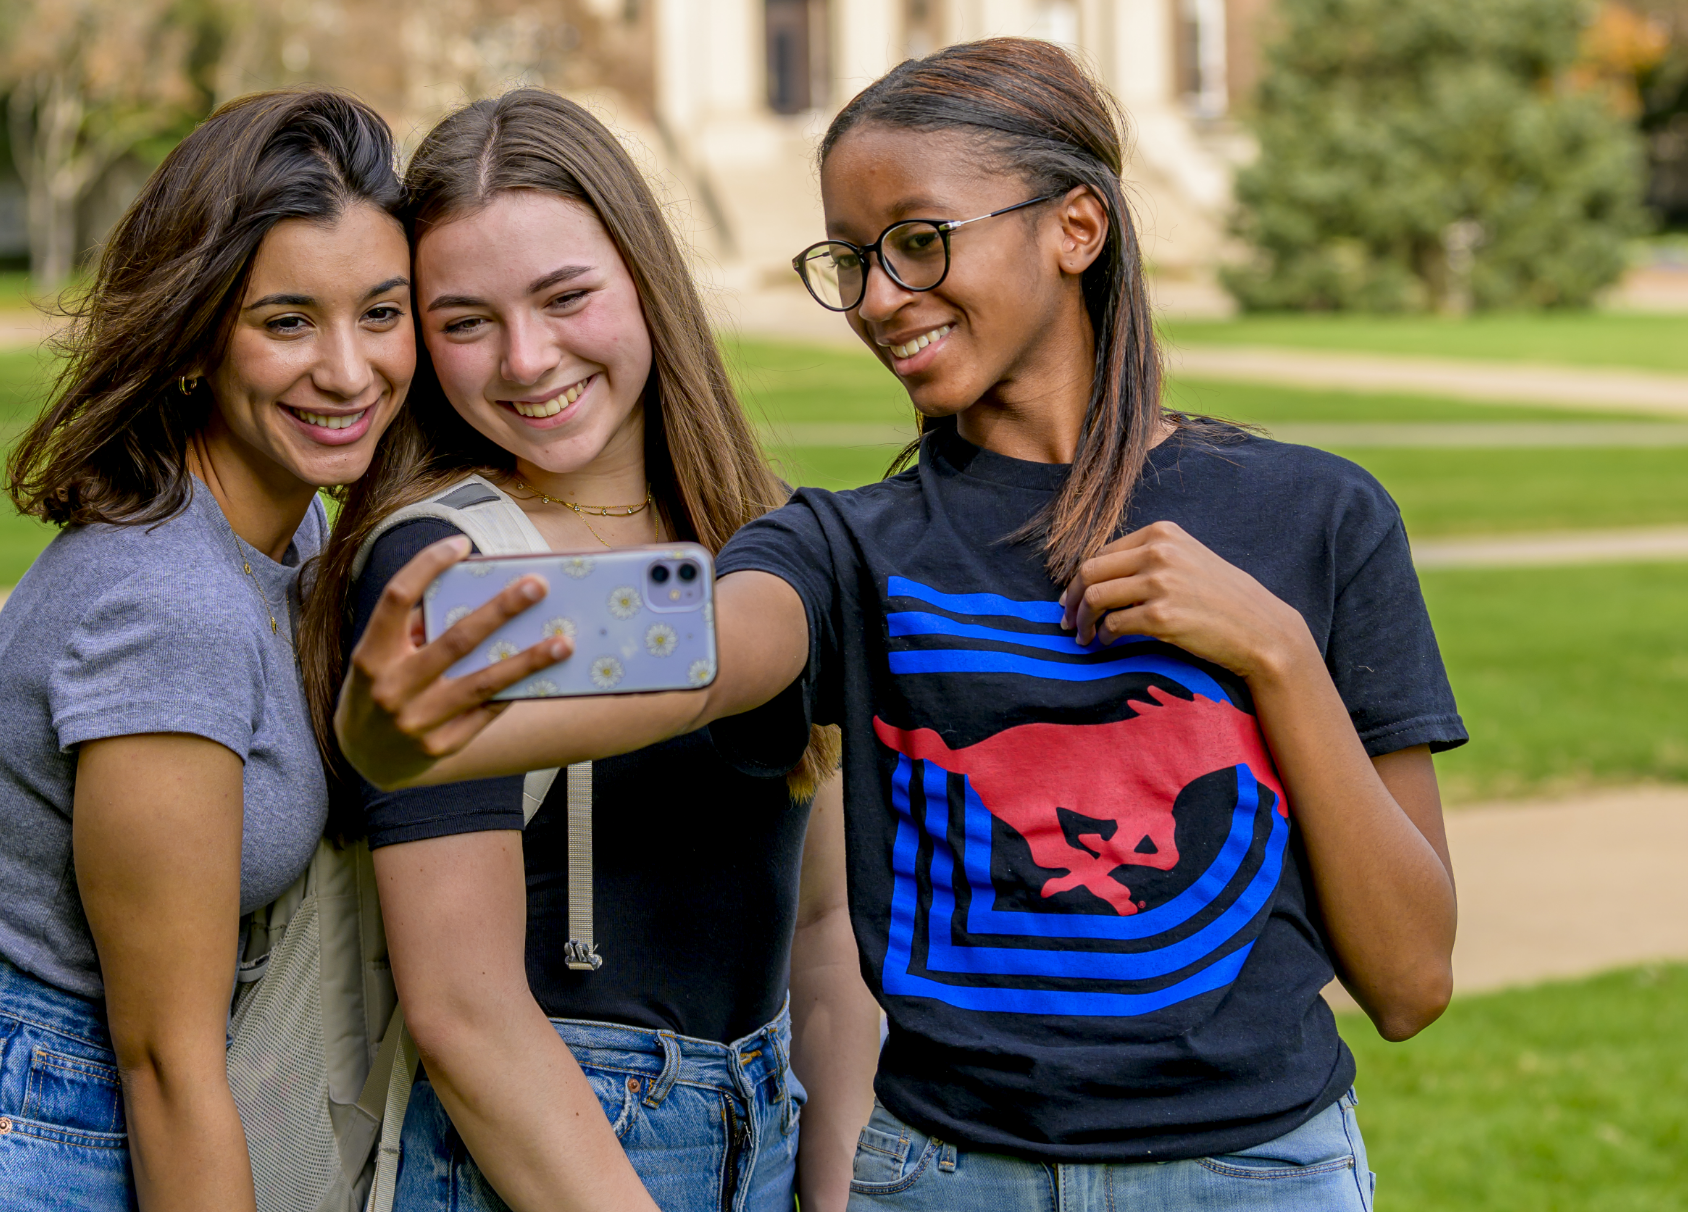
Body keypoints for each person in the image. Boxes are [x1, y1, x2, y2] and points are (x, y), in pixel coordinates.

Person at [336, 39, 1467, 1212]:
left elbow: (1406, 980)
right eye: (852, 261)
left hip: (1258, 1175)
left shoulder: (1316, 516)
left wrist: (1275, 655)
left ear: (1074, 227)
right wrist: (415, 710)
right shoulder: (839, 549)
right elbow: (699, 648)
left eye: (919, 243)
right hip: (943, 1179)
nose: (877, 300)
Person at [0, 89, 415, 1212]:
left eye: (382, 312)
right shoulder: (167, 603)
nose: (347, 369)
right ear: (192, 339)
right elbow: (167, 1064)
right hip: (17, 1129)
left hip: (65, 1106)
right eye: (286, 322)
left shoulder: (291, 534)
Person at [296, 89, 881, 1212]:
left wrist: (832, 1183)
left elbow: (823, 924)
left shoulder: (767, 546)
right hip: (550, 1146)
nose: (525, 359)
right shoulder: (446, 560)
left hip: (766, 1123)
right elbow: (462, 1011)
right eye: (463, 322)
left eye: (566, 297)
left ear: (645, 282)